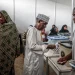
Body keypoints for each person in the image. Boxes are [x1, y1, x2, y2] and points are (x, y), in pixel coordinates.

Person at [0, 10, 20, 75]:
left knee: (9, 68)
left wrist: (17, 49)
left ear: (5, 16)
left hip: (9, 53)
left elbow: (16, 38)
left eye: (0, 17)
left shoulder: (12, 26)